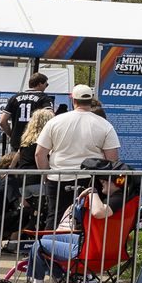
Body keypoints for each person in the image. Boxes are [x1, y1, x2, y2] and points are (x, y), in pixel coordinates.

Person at [24, 159, 135, 283]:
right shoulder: (128, 201)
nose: (101, 181)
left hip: (91, 253)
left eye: (105, 180)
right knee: (48, 237)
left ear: (116, 182)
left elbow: (98, 212)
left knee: (39, 245)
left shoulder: (117, 199)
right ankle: (59, 279)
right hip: (108, 249)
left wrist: (92, 192)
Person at [35, 85, 121, 216]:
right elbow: (112, 159)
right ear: (91, 100)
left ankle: (51, 237)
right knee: (87, 220)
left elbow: (39, 153)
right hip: (90, 180)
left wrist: (47, 174)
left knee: (56, 218)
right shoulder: (104, 125)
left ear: (73, 100)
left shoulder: (55, 122)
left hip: (58, 177)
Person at [1, 73, 56, 152]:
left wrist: (11, 135)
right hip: (35, 140)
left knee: (14, 163)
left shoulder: (14, 98)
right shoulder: (44, 98)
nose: (46, 87)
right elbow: (50, 117)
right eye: (46, 84)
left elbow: (2, 121)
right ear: (40, 84)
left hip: (17, 140)